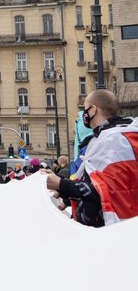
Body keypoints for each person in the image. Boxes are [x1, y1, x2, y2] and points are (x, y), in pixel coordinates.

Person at [45, 89, 138, 227]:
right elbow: (95, 182)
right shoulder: (107, 137)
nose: (84, 114)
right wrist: (66, 198)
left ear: (93, 110)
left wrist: (61, 184)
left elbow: (105, 191)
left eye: (85, 109)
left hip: (111, 230)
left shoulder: (114, 140)